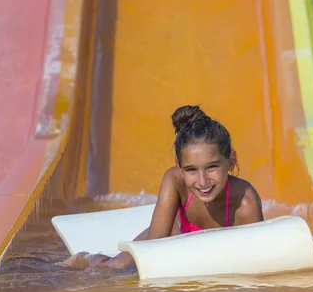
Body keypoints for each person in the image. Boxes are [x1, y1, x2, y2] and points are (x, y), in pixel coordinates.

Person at [63, 105, 263, 269]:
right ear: (180, 167)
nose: (202, 181)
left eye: (212, 167)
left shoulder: (245, 203)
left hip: (205, 254)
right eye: (191, 170)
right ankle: (85, 258)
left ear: (231, 160)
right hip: (171, 237)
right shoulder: (174, 180)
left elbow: (257, 262)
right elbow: (154, 246)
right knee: (113, 269)